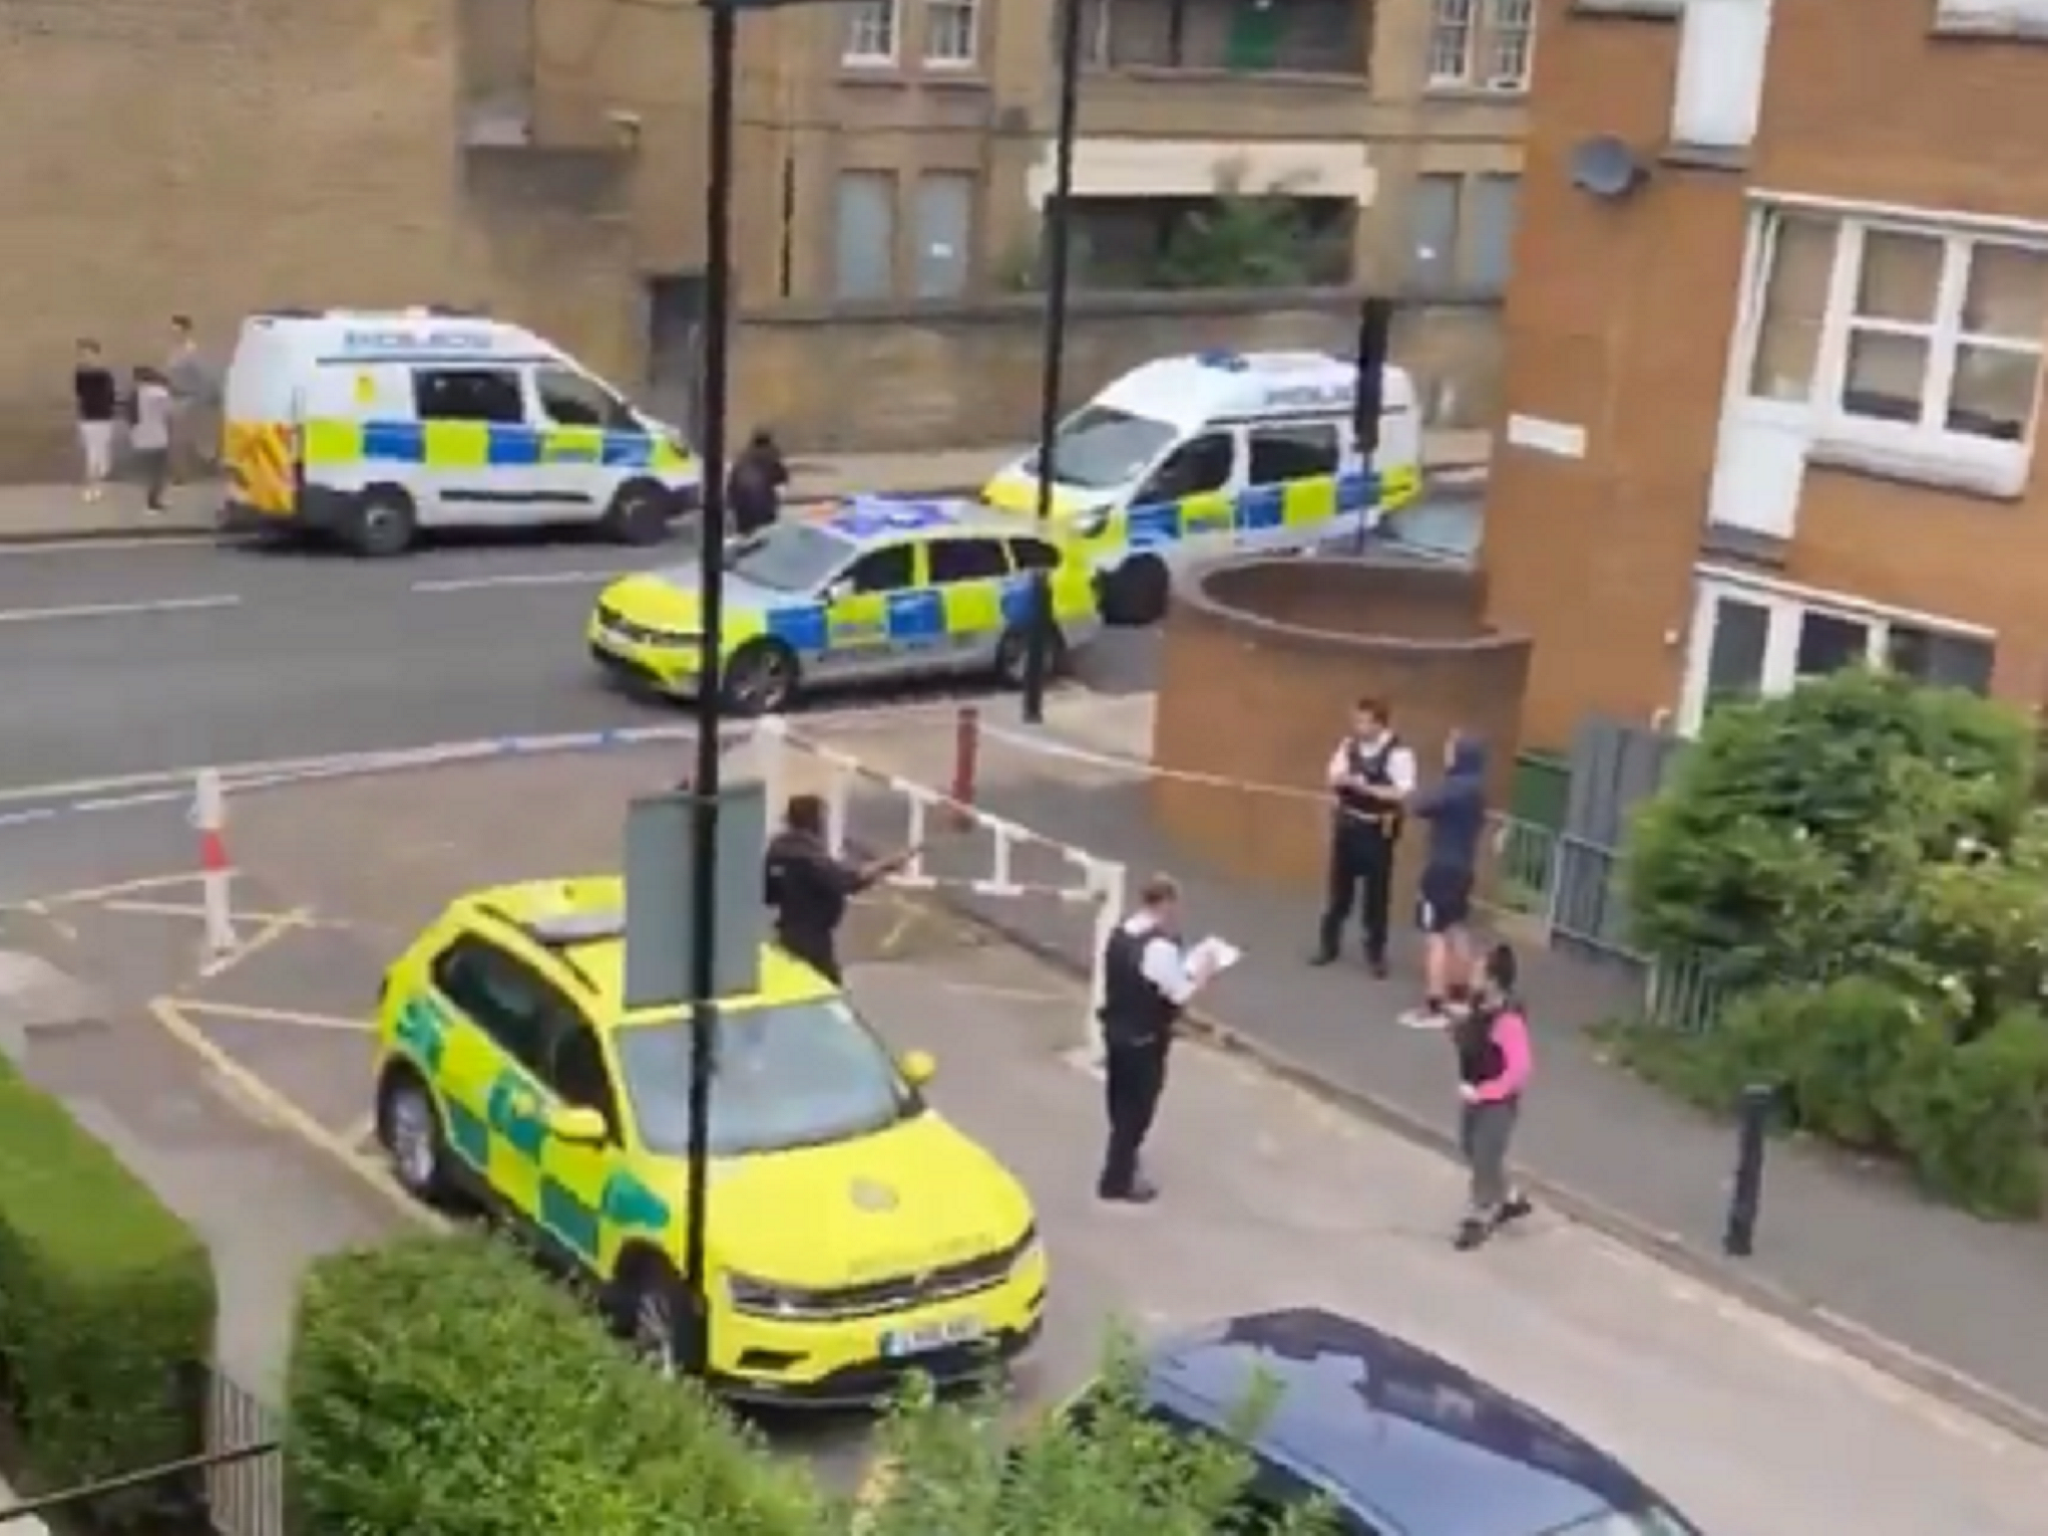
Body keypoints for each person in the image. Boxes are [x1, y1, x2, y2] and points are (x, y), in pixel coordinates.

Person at [1096, 874, 1219, 1204]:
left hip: (1115, 1029)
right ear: (1166, 903)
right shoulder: (1158, 948)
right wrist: (1202, 974)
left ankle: (1122, 1160)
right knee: (1139, 1108)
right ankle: (1117, 1177)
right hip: (1144, 1036)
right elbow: (1177, 992)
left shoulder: (1122, 933)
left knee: (1119, 1098)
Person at [1310, 697, 1416, 977]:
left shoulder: (1399, 753)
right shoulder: (1349, 746)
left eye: (1364, 721)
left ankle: (1376, 954)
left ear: (1379, 723)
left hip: (1377, 831)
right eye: (1356, 720)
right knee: (1338, 892)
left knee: (1376, 897)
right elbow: (1332, 776)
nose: (1358, 727)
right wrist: (1341, 780)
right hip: (1348, 826)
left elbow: (1401, 792)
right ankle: (1328, 945)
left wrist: (1367, 788)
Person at [762, 793, 911, 984]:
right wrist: (887, 867)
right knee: (829, 991)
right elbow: (845, 881)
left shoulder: (777, 850)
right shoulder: (810, 856)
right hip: (813, 941)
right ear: (814, 822)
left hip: (787, 934)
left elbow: (770, 895)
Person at [1401, 730, 1491, 1029]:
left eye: (1451, 749)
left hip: (1440, 867)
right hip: (1464, 867)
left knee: (1434, 934)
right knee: (1456, 928)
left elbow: (1417, 804)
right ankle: (1466, 993)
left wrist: (1410, 791)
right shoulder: (1477, 790)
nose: (1447, 754)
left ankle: (1434, 1002)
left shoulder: (1453, 788)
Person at [1448, 943, 1534, 1250]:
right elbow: (1474, 1041)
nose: (1471, 975)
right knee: (1470, 1146)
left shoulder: (1509, 1022)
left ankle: (1479, 1216)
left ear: (1493, 980)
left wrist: (1485, 1092)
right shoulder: (1479, 1006)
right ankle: (1509, 1197)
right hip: (1474, 1095)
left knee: (1485, 1153)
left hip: (1497, 1103)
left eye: (1478, 971)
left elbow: (1520, 1070)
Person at [165, 314, 216, 484]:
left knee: (181, 439)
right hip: (174, 397)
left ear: (186, 330)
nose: (173, 333)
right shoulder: (174, 351)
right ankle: (180, 472)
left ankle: (184, 474)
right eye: (172, 329)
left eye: (177, 329)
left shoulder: (190, 350)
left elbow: (202, 375)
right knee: (175, 439)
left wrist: (201, 396)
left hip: (187, 398)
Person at [73, 340, 117, 503]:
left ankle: (97, 486)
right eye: (82, 354)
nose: (85, 357)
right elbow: (79, 393)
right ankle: (92, 487)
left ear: (96, 354)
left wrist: (109, 410)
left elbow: (110, 395)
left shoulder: (104, 374)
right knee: (93, 453)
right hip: (88, 417)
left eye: (88, 353)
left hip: (103, 417)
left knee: (101, 454)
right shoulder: (80, 373)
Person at [727, 428, 789, 537]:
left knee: (745, 536)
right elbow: (782, 479)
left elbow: (732, 484)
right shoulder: (772, 454)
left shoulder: (742, 456)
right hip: (763, 504)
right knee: (765, 537)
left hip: (741, 505)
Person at [129, 367, 174, 516]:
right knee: (159, 473)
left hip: (141, 438)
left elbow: (132, 417)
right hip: (157, 437)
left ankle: (154, 501)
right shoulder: (159, 393)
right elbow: (169, 412)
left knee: (151, 473)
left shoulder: (137, 393)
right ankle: (152, 504)